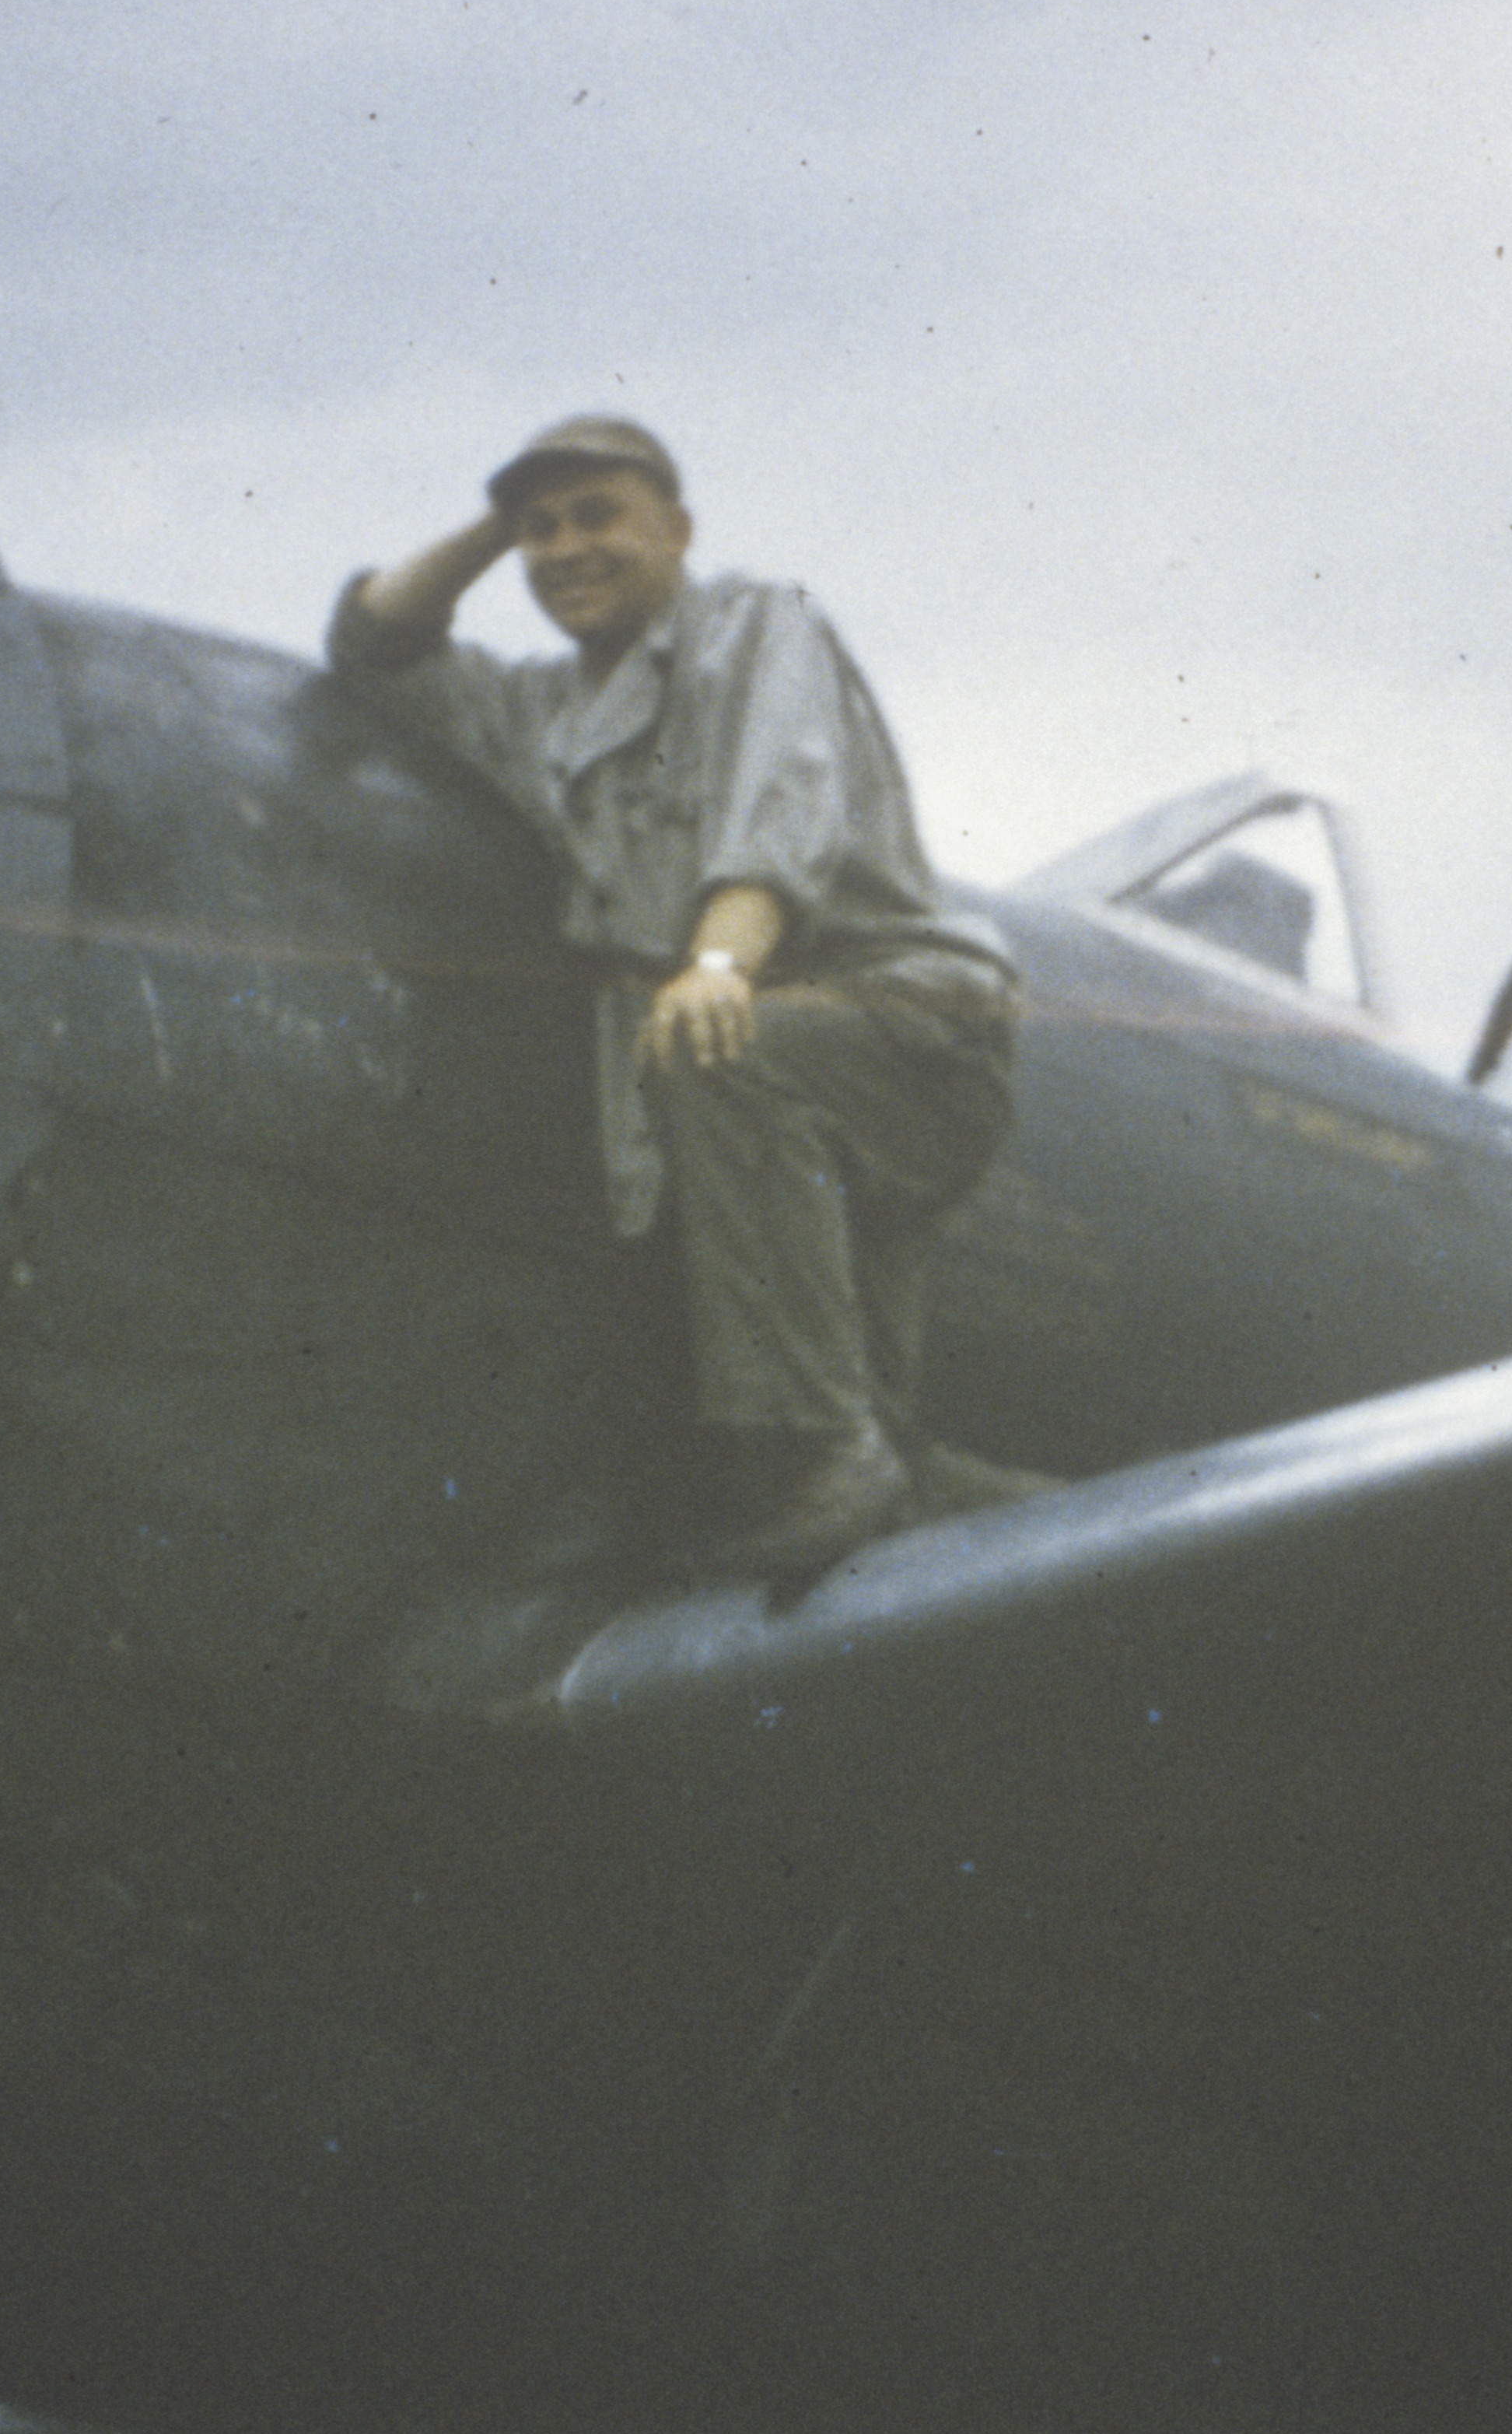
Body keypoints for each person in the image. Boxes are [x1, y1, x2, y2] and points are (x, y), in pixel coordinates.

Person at [331, 416, 1019, 1571]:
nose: (565, 549)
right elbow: (374, 646)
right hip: (751, 1095)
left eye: (597, 516)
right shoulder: (540, 712)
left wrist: (714, 967)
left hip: (899, 1026)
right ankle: (910, 1483)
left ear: (677, 532)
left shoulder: (758, 627)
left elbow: (779, 815)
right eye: (539, 529)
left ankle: (820, 1451)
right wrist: (493, 530)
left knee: (720, 1052)